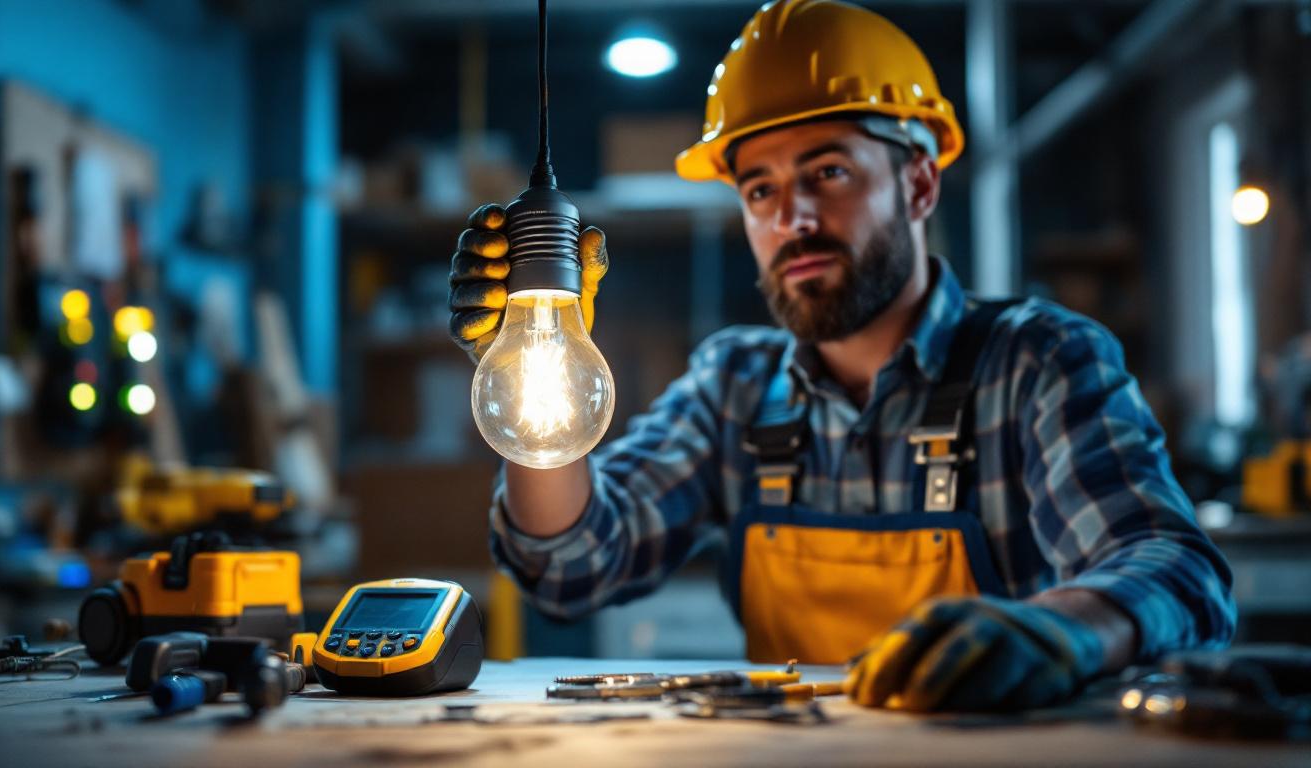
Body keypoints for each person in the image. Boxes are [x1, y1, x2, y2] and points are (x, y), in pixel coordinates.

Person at [448, 0, 1234, 712]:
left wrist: (1066, 628)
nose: (791, 217)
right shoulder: (736, 388)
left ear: (920, 184)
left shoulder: (1036, 364)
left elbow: (1177, 571)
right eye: (759, 189)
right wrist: (524, 363)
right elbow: (572, 567)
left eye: (827, 172)